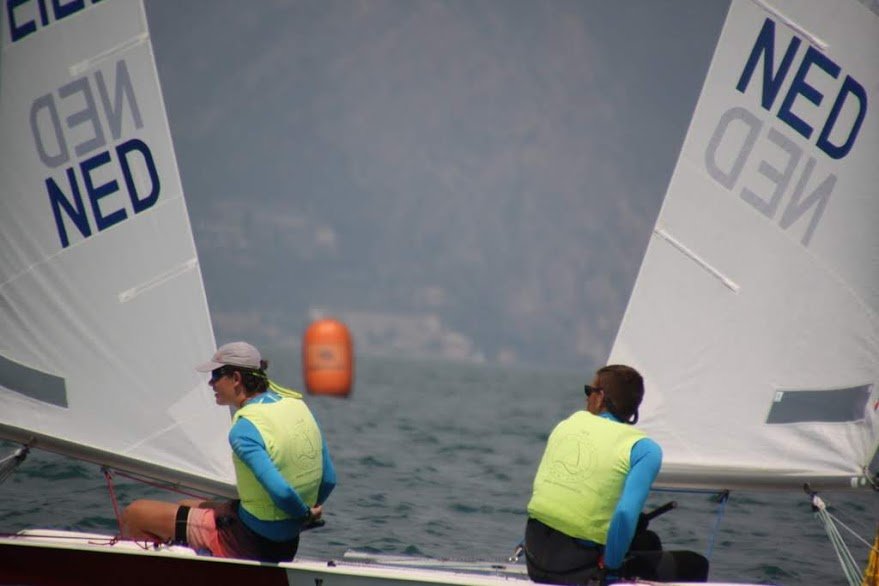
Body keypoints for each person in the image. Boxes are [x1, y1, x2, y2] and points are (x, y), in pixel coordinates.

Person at [122, 341, 336, 563]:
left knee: (135, 514)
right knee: (186, 505)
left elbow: (282, 493)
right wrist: (303, 516)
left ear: (236, 378)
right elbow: (329, 479)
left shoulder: (244, 428)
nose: (210, 382)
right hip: (286, 543)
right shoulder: (298, 407)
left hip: (247, 542)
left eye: (216, 375)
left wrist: (304, 515)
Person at [524, 364, 708, 584]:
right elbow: (624, 515)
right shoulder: (645, 449)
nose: (587, 398)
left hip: (534, 558)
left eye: (589, 391)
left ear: (601, 397)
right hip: (579, 570)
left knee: (647, 541)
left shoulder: (566, 425)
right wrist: (610, 568)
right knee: (696, 563)